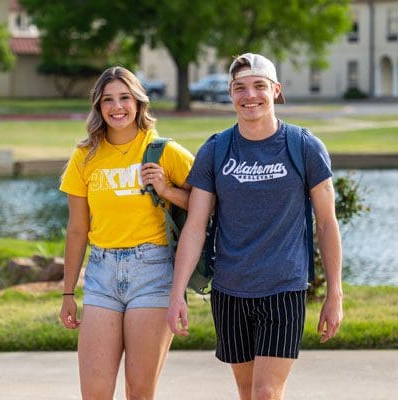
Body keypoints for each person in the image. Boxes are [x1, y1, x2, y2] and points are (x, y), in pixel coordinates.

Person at [166, 53, 343, 400]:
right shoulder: (215, 150)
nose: (250, 96)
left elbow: (326, 222)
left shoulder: (304, 146)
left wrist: (335, 292)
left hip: (284, 288)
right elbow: (196, 226)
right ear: (230, 95)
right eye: (240, 88)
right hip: (230, 290)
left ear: (276, 90)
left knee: (265, 392)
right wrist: (177, 293)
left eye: (259, 86)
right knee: (247, 392)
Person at [59, 66, 194, 399]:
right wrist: (67, 294)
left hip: (153, 271)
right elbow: (77, 230)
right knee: (94, 393)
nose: (116, 107)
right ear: (98, 106)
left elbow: (207, 203)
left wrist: (166, 190)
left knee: (139, 392)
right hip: (102, 274)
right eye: (108, 100)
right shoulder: (84, 156)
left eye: (124, 98)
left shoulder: (164, 151)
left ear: (138, 102)